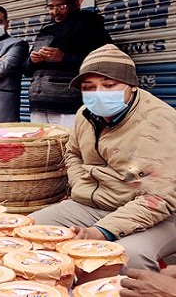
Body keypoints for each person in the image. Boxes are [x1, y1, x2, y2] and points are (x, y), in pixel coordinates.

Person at [29, 44, 176, 272]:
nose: (98, 93)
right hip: (95, 203)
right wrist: (81, 184)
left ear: (132, 87)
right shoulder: (84, 115)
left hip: (160, 212)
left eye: (109, 85)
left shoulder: (159, 122)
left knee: (128, 258)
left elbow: (158, 197)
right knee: (30, 231)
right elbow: (73, 153)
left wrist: (101, 231)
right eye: (89, 87)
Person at [26, 0, 112, 127]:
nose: (55, 12)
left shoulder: (89, 26)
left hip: (70, 107)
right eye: (51, 7)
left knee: (70, 147)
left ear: (76, 4)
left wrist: (64, 58)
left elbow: (102, 63)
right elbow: (27, 70)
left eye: (61, 6)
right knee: (42, 148)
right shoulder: (46, 30)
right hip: (39, 105)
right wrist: (33, 61)